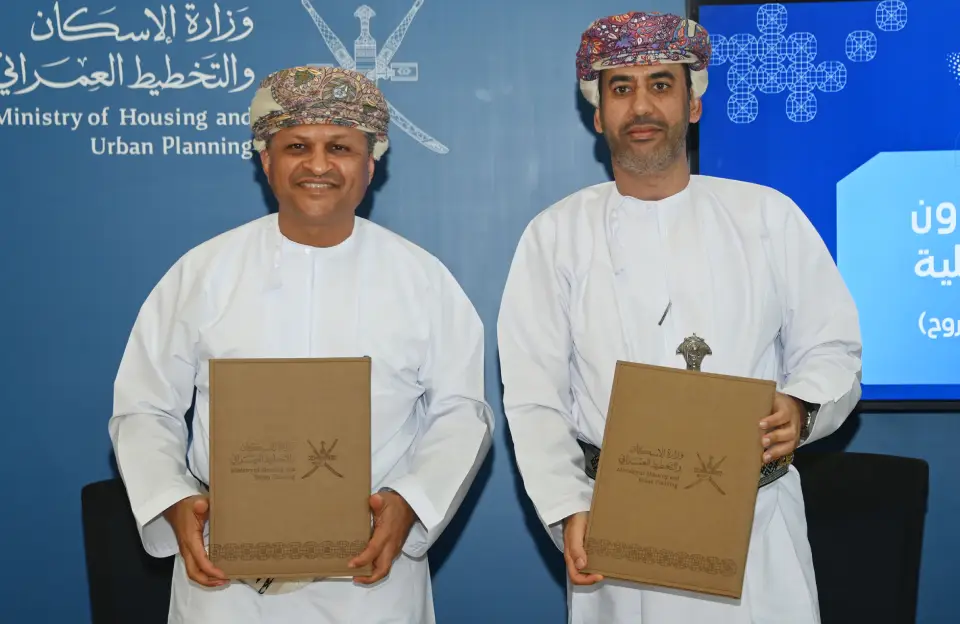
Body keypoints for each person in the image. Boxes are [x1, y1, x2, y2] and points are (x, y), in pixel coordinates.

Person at [497, 11, 862, 624]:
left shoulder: (767, 217)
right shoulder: (554, 236)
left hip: (756, 526)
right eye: (621, 88)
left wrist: (801, 407)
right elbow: (535, 398)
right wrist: (567, 506)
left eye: (661, 85)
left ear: (692, 105)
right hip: (616, 526)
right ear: (598, 114)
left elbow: (834, 349)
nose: (641, 106)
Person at [109, 65, 494, 624]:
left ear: (370, 163)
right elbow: (144, 407)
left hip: (371, 577)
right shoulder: (203, 274)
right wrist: (172, 500)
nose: (318, 165)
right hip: (225, 579)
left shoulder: (423, 281)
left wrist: (411, 504)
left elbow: (461, 411)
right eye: (296, 147)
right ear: (266, 161)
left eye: (339, 147)